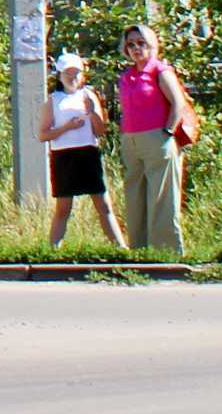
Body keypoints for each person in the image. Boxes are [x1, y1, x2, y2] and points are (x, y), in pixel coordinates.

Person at [115, 24, 197, 258]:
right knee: (135, 196)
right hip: (132, 140)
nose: (136, 48)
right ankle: (140, 251)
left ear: (152, 44)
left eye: (141, 43)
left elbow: (178, 103)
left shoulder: (159, 71)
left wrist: (168, 132)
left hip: (158, 139)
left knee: (161, 198)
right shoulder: (127, 75)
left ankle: (166, 252)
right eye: (131, 44)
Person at [42, 50, 125, 249]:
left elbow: (100, 130)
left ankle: (121, 248)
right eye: (68, 73)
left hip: (88, 154)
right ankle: (53, 250)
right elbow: (43, 134)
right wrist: (66, 127)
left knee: (103, 205)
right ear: (60, 75)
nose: (73, 77)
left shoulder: (89, 96)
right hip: (63, 156)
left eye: (77, 73)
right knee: (63, 208)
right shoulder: (53, 100)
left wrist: (92, 112)